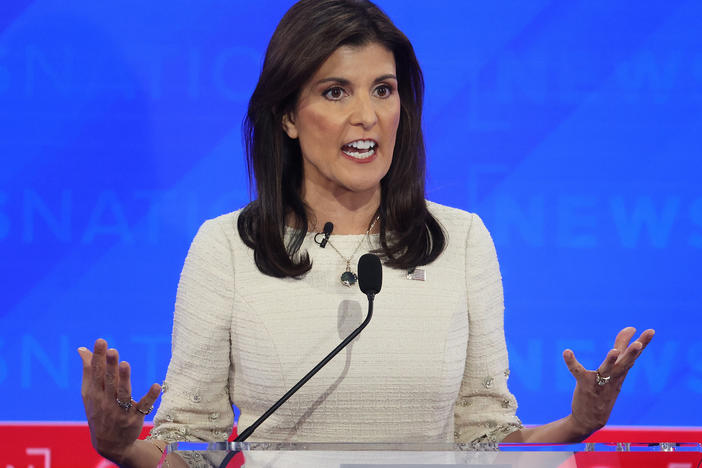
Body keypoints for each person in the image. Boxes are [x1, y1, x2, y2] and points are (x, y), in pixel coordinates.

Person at [78, 0, 655, 466]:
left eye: (383, 89)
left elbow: (484, 441)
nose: (368, 115)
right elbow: (194, 448)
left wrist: (577, 424)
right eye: (336, 92)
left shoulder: (462, 240)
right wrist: (123, 446)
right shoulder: (228, 248)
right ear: (287, 116)